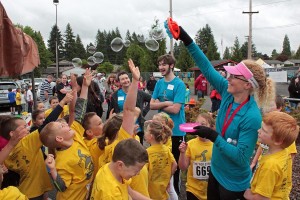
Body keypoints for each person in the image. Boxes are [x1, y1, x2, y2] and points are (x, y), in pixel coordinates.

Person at [165, 18, 275, 199]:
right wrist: (186, 38)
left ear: (247, 85)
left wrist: (213, 135)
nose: (228, 77)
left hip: (233, 183)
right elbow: (207, 68)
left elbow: (241, 157)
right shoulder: (227, 91)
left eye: (234, 76)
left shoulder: (252, 115)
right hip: (215, 172)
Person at [41, 69, 93, 200]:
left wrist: (85, 87)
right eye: (61, 126)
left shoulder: (74, 135)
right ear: (59, 138)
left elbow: (80, 110)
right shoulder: (62, 162)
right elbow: (61, 187)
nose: (66, 124)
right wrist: (53, 170)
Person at [150, 54, 186, 194]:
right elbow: (151, 105)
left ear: (171, 66)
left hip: (176, 132)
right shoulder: (159, 83)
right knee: (161, 166)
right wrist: (165, 103)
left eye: (164, 64)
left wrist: (158, 104)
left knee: (174, 169)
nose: (161, 67)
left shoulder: (179, 84)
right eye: (159, 64)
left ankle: (174, 194)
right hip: (161, 132)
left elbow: (176, 109)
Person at [244, 111, 299, 199]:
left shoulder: (270, 166)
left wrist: (246, 194)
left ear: (278, 141)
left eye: (263, 130)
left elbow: (262, 198)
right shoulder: (284, 152)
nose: (258, 131)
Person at [178, 113, 214, 200]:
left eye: (203, 124)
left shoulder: (216, 145)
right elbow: (183, 167)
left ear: (211, 127)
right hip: (193, 190)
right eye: (197, 124)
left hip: (211, 190)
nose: (200, 127)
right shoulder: (190, 144)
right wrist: (182, 153)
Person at [110, 71, 151, 144]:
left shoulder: (139, 92)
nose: (125, 80)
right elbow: (111, 111)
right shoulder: (115, 95)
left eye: (126, 78)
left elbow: (151, 100)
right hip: (122, 128)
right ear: (119, 82)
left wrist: (143, 112)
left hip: (137, 128)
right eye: (122, 79)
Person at [144, 119, 177, 200]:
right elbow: (175, 164)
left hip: (151, 193)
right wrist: (168, 177)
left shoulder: (147, 153)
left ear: (151, 136)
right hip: (163, 191)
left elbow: (144, 172)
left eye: (146, 131)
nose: (145, 133)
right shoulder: (166, 149)